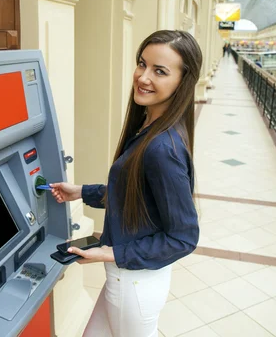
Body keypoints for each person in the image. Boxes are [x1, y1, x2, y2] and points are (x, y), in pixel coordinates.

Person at [50, 30, 201, 337]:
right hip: (127, 279)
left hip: (134, 284)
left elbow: (184, 237)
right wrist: (80, 192)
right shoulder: (149, 124)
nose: (143, 77)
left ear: (182, 82)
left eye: (159, 71)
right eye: (141, 64)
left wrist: (109, 252)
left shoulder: (162, 149)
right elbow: (135, 193)